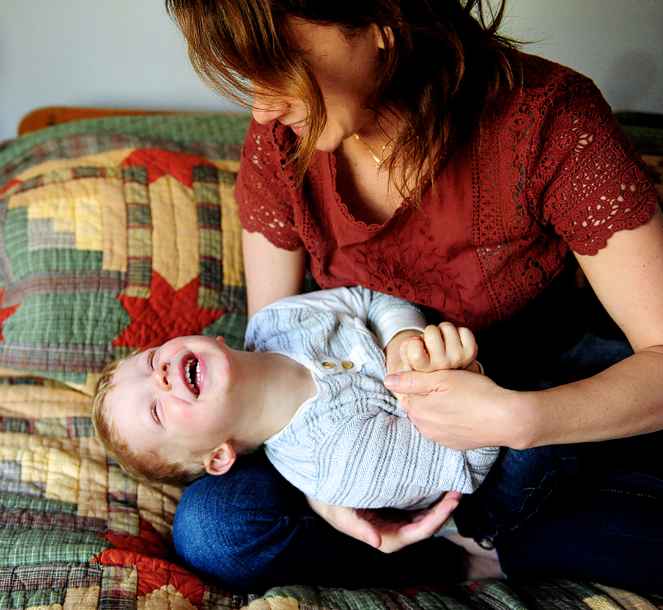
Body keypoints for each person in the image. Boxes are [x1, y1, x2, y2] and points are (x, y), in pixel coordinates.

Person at [163, 0, 663, 594]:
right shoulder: (280, 136)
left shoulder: (550, 120)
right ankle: (454, 554)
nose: (261, 104)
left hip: (538, 396)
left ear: (386, 18)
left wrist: (516, 419)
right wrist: (324, 495)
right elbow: (269, 338)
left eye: (280, 64)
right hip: (352, 426)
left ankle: (497, 540)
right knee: (214, 529)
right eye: (250, 74)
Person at [93, 286, 494, 512]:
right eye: (156, 411)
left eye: (150, 361)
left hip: (469, 338)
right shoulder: (331, 464)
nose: (159, 375)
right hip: (495, 457)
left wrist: (402, 339)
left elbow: (372, 300)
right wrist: (463, 380)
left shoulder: (277, 320)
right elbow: (463, 467)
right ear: (218, 456)